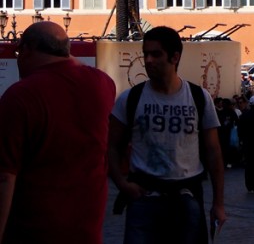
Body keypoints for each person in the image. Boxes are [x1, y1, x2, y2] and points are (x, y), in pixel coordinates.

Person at [108, 26, 226, 243]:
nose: (148, 60)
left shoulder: (199, 98)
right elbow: (112, 146)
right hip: (143, 197)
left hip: (186, 196)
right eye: (145, 54)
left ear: (175, 57)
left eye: (156, 54)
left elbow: (213, 151)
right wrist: (122, 184)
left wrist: (218, 203)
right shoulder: (130, 99)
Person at [0, 22, 115, 243]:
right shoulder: (103, 84)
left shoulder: (20, 96)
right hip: (86, 231)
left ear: (26, 50)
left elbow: (5, 176)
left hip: (33, 231)